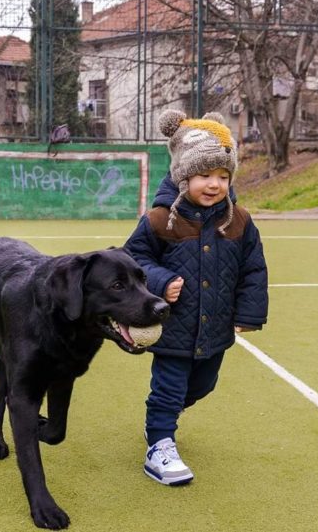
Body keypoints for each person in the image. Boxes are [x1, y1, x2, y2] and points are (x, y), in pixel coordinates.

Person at [124, 109, 269, 486]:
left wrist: (249, 313)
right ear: (183, 175)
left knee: (203, 385)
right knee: (169, 388)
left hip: (215, 328)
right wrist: (160, 280)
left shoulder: (239, 220)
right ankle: (160, 443)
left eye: (223, 176)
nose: (214, 184)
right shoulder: (160, 220)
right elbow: (133, 260)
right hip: (173, 328)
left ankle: (162, 421)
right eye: (204, 175)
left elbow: (253, 268)